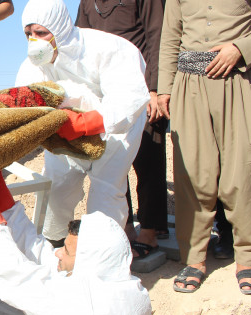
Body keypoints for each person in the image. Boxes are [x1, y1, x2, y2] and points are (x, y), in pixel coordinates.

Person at [158, 0, 251, 294]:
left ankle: (248, 259)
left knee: (243, 171)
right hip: (190, 82)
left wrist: (240, 49)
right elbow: (171, 36)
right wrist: (165, 88)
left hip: (240, 78)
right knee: (193, 173)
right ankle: (193, 260)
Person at [0, 171, 151, 315]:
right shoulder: (124, 286)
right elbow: (38, 250)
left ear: (87, 261)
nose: (58, 253)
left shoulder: (77, 309)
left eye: (67, 251)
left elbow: (13, 273)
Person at [15, 0, 148, 248]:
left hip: (115, 129)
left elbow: (129, 99)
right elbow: (28, 96)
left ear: (60, 28)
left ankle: (105, 258)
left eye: (41, 33)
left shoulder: (108, 48)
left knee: (105, 194)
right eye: (28, 34)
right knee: (58, 188)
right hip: (66, 129)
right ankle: (58, 245)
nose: (35, 41)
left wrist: (87, 122)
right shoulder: (33, 64)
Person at [75, 0, 168, 260]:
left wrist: (154, 88)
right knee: (111, 161)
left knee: (148, 158)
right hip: (105, 92)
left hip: (141, 87)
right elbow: (81, 40)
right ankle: (124, 228)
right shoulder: (87, 2)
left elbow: (157, 35)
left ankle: (149, 231)